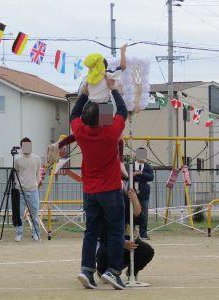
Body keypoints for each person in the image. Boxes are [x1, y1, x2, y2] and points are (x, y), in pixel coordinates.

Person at [73, 77, 128, 290]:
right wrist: (113, 90)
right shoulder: (110, 133)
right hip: (111, 190)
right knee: (115, 230)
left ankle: (86, 270)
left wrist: (86, 93)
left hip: (90, 191)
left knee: (91, 232)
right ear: (104, 119)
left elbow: (75, 115)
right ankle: (113, 271)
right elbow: (122, 112)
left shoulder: (80, 132)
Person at [96, 187, 155, 282]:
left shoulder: (125, 199)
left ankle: (132, 272)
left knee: (147, 251)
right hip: (110, 245)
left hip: (129, 241)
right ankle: (104, 271)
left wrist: (135, 199)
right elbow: (102, 234)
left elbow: (140, 219)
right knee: (104, 252)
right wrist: (122, 243)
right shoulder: (104, 202)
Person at [14, 137, 42, 242]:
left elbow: (38, 172)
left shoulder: (37, 158)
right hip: (20, 190)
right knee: (19, 214)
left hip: (33, 189)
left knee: (34, 214)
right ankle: (19, 234)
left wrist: (37, 182)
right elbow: (16, 172)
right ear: (21, 147)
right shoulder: (17, 159)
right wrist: (17, 184)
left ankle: (36, 234)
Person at [133, 149, 154, 240]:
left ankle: (143, 233)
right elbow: (126, 175)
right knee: (131, 212)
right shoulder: (131, 165)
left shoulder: (147, 166)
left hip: (144, 193)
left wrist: (140, 173)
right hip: (132, 192)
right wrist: (134, 174)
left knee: (144, 213)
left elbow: (151, 177)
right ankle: (132, 232)